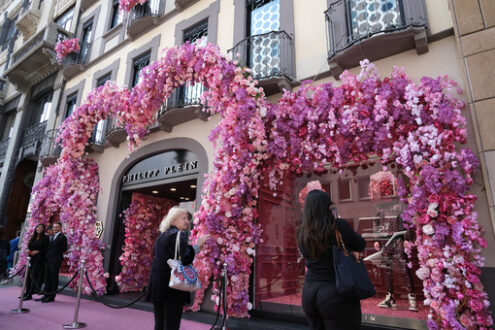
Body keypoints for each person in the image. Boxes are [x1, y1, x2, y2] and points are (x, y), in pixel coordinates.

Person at [298, 189, 366, 330]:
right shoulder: (338, 225)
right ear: (327, 207)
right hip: (336, 291)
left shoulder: (302, 231)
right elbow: (360, 244)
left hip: (309, 293)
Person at [147, 207, 210, 330]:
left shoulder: (162, 235)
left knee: (159, 323)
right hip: (173, 286)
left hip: (158, 285)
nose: (187, 221)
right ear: (174, 220)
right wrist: (198, 246)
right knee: (172, 324)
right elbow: (185, 258)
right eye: (184, 218)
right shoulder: (179, 234)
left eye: (188, 218)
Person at [39, 222, 67, 303]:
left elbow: (64, 249)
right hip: (47, 260)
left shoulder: (62, 237)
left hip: (55, 261)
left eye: (57, 227)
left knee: (53, 279)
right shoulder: (51, 236)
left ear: (60, 228)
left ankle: (51, 296)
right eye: (54, 227)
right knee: (47, 278)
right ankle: (46, 295)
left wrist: (55, 251)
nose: (55, 229)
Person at [23, 224, 49, 300]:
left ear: (43, 229)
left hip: (39, 259)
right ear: (36, 228)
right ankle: (27, 292)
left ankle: (30, 293)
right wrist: (28, 250)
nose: (39, 229)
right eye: (38, 227)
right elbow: (29, 246)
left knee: (34, 276)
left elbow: (46, 249)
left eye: (41, 228)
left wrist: (38, 251)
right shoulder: (33, 236)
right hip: (31, 258)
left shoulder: (45, 238)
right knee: (27, 276)